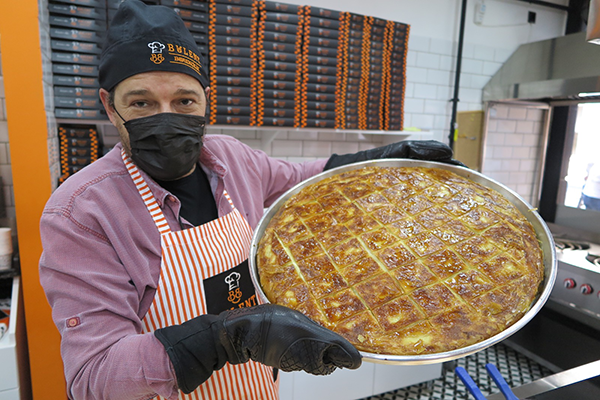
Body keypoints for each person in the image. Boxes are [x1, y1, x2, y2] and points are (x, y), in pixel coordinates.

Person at [38, 1, 462, 399]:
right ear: (110, 108)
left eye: (184, 100)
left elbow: (302, 178)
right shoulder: (80, 213)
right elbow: (95, 376)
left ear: (206, 101)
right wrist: (229, 336)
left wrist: (378, 158)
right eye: (142, 103)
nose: (166, 117)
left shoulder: (230, 157)